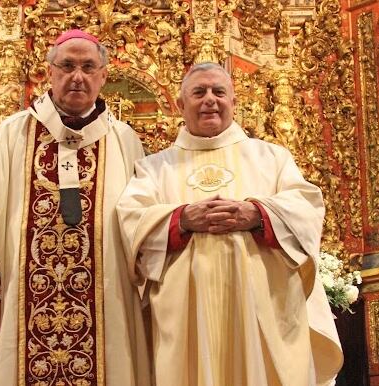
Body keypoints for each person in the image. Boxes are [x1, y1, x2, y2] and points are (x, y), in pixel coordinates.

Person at [0, 29, 150, 386]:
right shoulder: (14, 133)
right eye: (67, 66)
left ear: (103, 75)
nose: (77, 76)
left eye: (88, 67)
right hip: (19, 300)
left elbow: (144, 215)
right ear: (49, 72)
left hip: (108, 299)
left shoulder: (124, 139)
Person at [116, 62, 343, 386]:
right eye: (199, 92)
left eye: (218, 91)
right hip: (187, 323)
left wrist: (258, 215)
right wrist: (181, 219)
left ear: (233, 102)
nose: (210, 99)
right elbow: (131, 221)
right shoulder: (154, 168)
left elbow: (306, 208)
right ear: (181, 105)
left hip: (264, 316)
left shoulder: (272, 158)